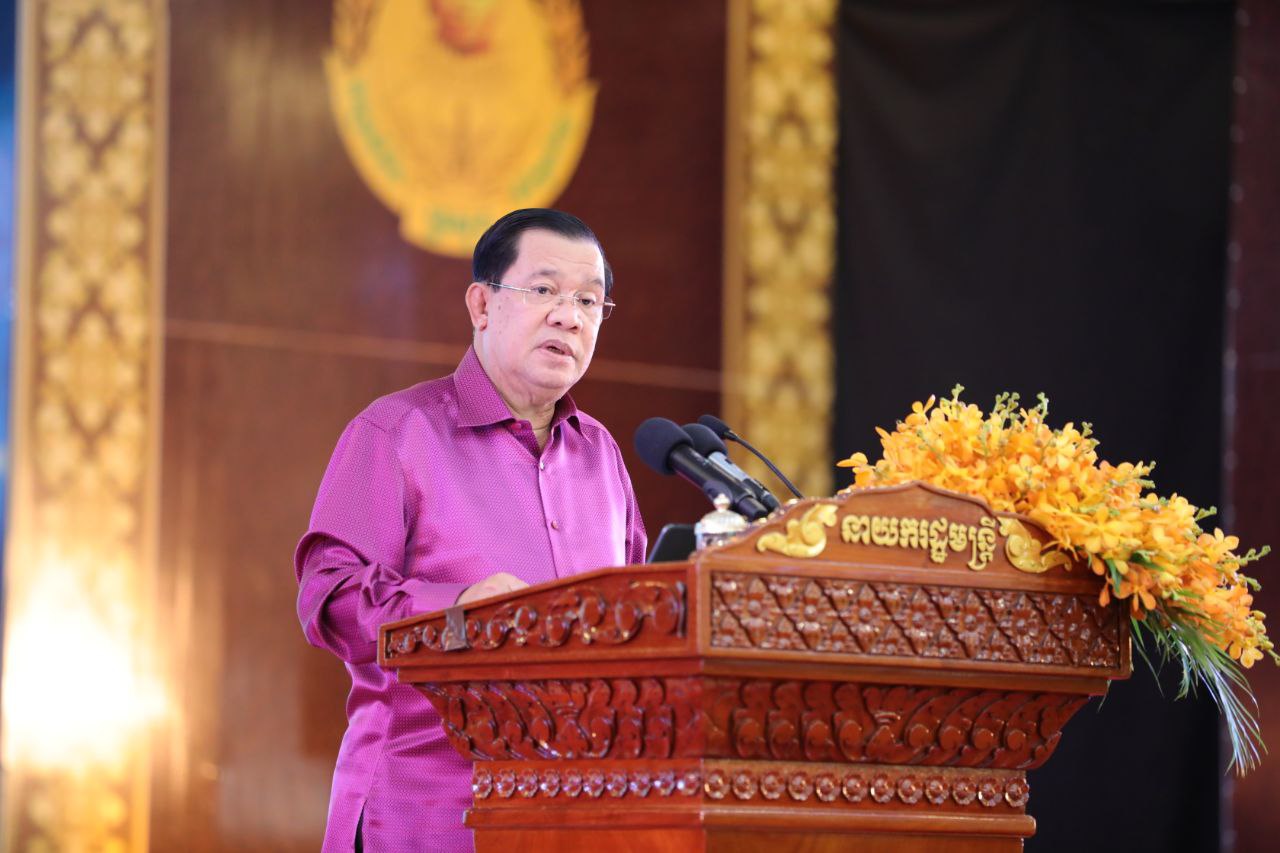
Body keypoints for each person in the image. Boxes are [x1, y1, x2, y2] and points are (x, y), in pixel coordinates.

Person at [294, 209, 647, 852]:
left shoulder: (601, 457)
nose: (569, 317)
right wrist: (457, 613)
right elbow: (329, 600)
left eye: (589, 301)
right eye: (544, 290)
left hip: (573, 823)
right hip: (422, 816)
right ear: (482, 304)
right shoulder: (397, 433)